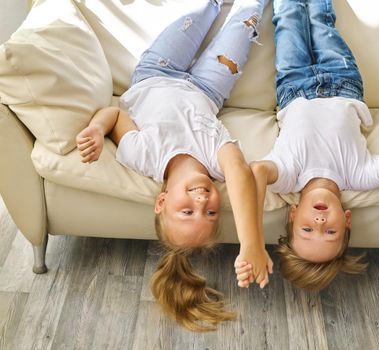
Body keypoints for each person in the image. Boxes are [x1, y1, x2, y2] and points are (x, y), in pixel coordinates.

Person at [76, 0, 272, 331]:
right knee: (247, 17)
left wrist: (96, 129)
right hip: (210, 88)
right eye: (211, 214)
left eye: (187, 212)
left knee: (202, 8)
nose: (202, 203)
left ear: (162, 202)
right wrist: (252, 243)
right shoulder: (217, 163)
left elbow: (116, 117)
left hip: (156, 72)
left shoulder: (144, 157)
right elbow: (241, 172)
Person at [235, 0, 379, 290]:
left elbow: (254, 173)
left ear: (292, 216)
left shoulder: (287, 176)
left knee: (288, 14)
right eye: (330, 231)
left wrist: (252, 241)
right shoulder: (359, 174)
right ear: (346, 220)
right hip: (342, 80)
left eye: (307, 229)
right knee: (319, 17)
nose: (319, 221)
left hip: (293, 84)